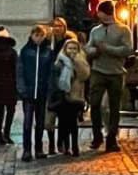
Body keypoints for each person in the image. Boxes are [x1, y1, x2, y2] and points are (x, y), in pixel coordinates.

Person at [85, 0, 133, 152]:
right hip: (98, 71)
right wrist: (95, 52)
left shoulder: (123, 30)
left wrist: (107, 48)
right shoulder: (95, 31)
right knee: (95, 104)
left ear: (106, 13)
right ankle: (97, 135)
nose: (98, 15)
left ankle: (111, 138)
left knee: (114, 107)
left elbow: (127, 50)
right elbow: (88, 48)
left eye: (99, 12)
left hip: (116, 73)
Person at [16, 24, 53, 162]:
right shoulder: (25, 51)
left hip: (42, 92)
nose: (38, 38)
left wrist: (49, 88)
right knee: (27, 122)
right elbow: (20, 72)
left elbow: (50, 73)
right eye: (36, 35)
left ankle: (38, 149)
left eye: (41, 36)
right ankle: (26, 150)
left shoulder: (48, 52)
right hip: (29, 93)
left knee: (40, 123)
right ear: (32, 36)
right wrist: (22, 89)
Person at [51, 37, 90, 157]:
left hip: (75, 96)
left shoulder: (81, 60)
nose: (72, 51)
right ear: (65, 49)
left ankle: (74, 147)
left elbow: (85, 76)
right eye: (69, 48)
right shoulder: (60, 61)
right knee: (63, 123)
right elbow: (55, 76)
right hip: (63, 96)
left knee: (73, 123)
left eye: (74, 48)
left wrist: (76, 62)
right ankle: (65, 146)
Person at [44, 17, 69, 155]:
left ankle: (62, 143)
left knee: (64, 118)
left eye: (60, 26)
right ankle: (52, 144)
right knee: (49, 119)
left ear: (64, 28)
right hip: (50, 85)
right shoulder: (48, 44)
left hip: (64, 84)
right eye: (54, 26)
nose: (57, 28)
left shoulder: (67, 43)